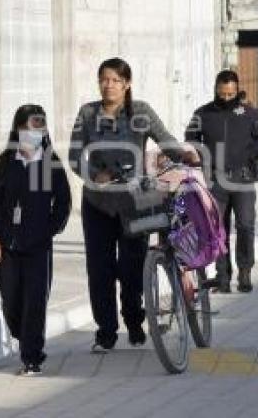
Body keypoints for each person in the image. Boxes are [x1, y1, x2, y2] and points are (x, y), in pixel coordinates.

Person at [69, 57, 186, 353]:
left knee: (131, 268)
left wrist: (186, 155)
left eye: (115, 80)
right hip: (97, 202)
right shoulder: (87, 113)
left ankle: (134, 320)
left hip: (135, 202)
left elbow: (165, 139)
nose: (108, 86)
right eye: (104, 80)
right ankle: (105, 332)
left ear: (127, 84)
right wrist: (94, 175)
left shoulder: (141, 112)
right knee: (100, 269)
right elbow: (73, 156)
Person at [0, 104, 71, 376]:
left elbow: (63, 201)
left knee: (35, 299)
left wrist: (50, 229)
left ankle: (32, 357)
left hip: (38, 245)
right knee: (10, 296)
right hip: (9, 243)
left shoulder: (48, 162)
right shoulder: (7, 162)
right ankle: (23, 335)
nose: (31, 134)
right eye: (26, 128)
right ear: (17, 130)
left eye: (37, 128)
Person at [186, 70, 258, 293]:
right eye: (222, 94)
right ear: (216, 89)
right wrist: (199, 157)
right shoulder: (203, 114)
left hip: (242, 178)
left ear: (236, 90)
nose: (226, 97)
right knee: (218, 229)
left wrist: (252, 156)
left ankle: (245, 271)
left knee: (245, 224)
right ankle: (222, 276)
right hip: (216, 179)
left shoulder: (250, 114)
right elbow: (191, 139)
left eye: (230, 93)